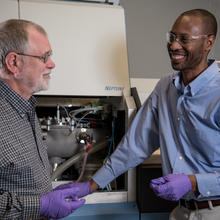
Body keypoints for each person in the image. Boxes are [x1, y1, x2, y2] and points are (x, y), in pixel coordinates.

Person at [56, 8, 220, 220]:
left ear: (209, 42)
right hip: (182, 211)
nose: (173, 45)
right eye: (172, 37)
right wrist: (92, 184)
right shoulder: (165, 88)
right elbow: (135, 145)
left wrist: (194, 181)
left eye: (184, 39)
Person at [0, 19, 85, 220]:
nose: (52, 64)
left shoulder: (25, 107)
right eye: (44, 56)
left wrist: (47, 193)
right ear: (14, 63)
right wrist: (41, 205)